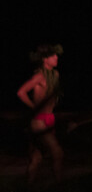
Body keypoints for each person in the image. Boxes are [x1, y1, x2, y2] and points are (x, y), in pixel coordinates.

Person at [16, 44, 65, 183]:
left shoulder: (55, 74)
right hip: (38, 121)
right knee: (58, 153)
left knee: (37, 157)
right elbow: (21, 92)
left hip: (49, 118)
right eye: (53, 55)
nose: (56, 57)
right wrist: (33, 107)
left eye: (56, 55)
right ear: (45, 59)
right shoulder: (39, 76)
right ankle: (59, 187)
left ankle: (28, 188)